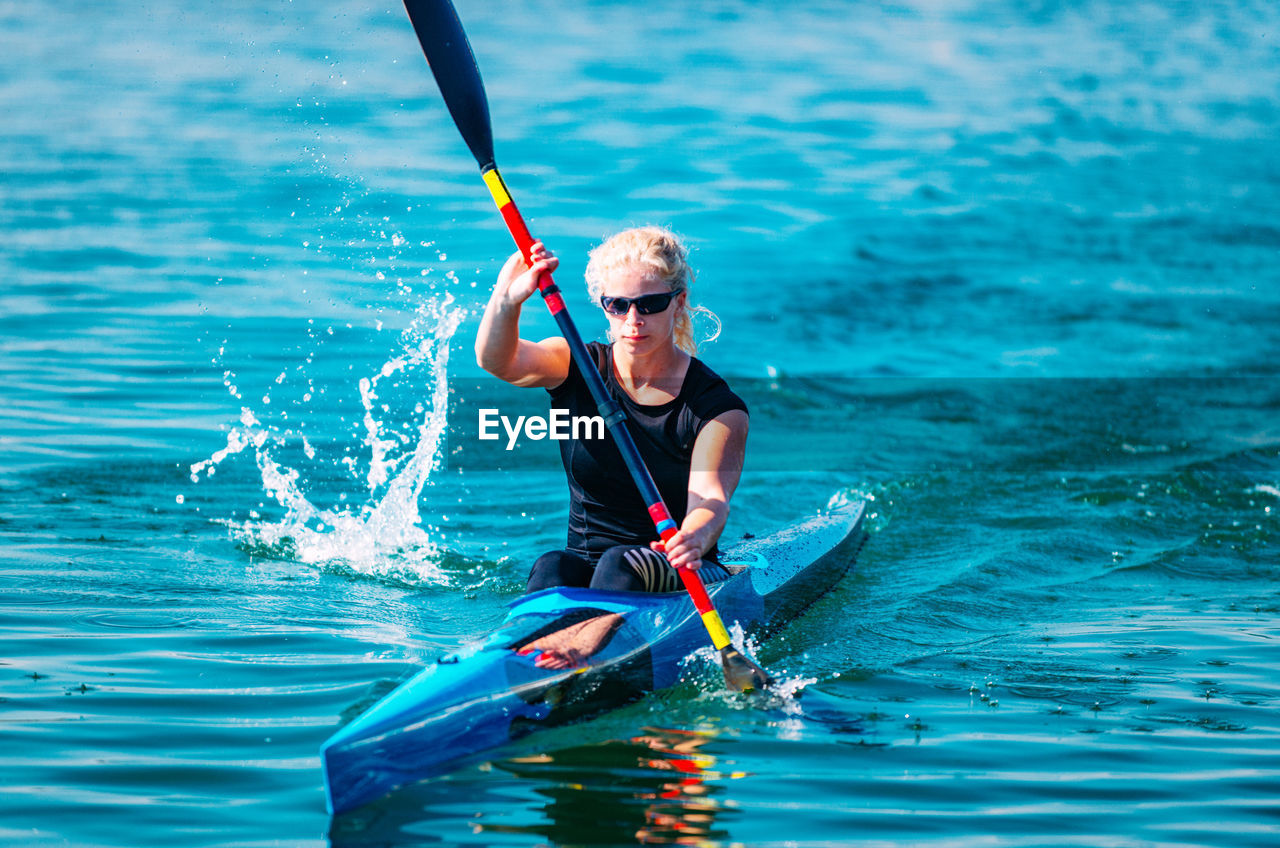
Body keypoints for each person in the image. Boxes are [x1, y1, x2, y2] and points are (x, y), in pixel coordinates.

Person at [476, 226, 748, 667]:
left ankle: (576, 656)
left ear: (678, 302)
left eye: (650, 304)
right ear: (604, 305)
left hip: (680, 569)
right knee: (551, 567)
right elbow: (497, 361)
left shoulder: (716, 408)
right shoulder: (578, 365)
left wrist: (693, 536)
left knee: (621, 565)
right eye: (618, 305)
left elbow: (711, 501)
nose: (633, 320)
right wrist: (509, 303)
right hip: (588, 566)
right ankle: (513, 662)